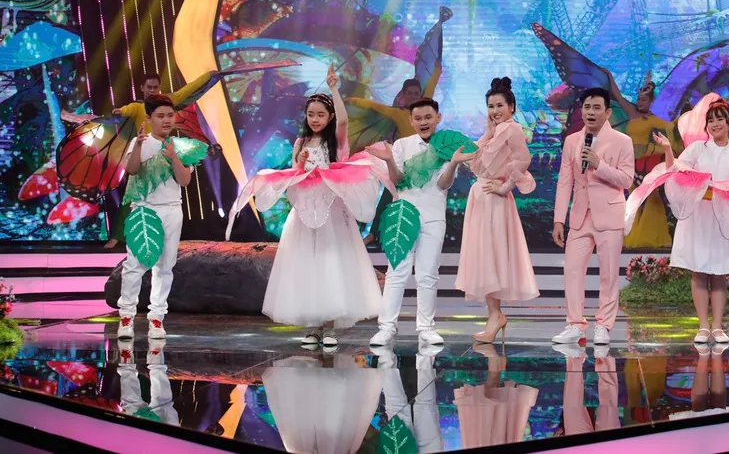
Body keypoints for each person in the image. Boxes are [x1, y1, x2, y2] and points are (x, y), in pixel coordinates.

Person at [230, 68, 385, 347]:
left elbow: (344, 122)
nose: (315, 119)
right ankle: (314, 327)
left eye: (321, 115)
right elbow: (294, 178)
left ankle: (330, 328)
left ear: (329, 117)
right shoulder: (300, 142)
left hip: (332, 212)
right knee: (308, 266)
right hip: (304, 213)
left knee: (330, 265)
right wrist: (300, 163)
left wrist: (334, 89)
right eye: (311, 114)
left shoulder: (336, 143)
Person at [627, 97, 729, 344]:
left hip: (723, 215)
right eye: (711, 120)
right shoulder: (697, 149)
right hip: (699, 215)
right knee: (699, 272)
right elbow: (675, 170)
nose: (715, 124)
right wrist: (667, 149)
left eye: (720, 119)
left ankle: (717, 327)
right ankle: (703, 326)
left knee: (719, 273)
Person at [367, 98, 475, 347]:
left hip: (433, 215)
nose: (423, 122)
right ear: (411, 121)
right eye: (418, 118)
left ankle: (426, 327)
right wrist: (389, 160)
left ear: (438, 117)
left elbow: (443, 184)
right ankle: (386, 327)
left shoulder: (447, 147)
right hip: (403, 214)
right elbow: (398, 181)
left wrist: (454, 163)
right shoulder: (402, 145)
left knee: (427, 274)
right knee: (397, 271)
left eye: (428, 117)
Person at [455, 77, 539, 343]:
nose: (495, 110)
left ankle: (495, 316)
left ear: (511, 106)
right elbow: (475, 161)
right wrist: (488, 133)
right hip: (480, 196)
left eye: (500, 105)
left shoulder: (512, 129)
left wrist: (505, 187)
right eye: (491, 106)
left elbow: (523, 159)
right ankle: (494, 315)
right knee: (484, 257)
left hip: (494, 198)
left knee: (492, 257)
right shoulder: (495, 132)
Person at [116, 94, 206, 340]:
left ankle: (156, 318)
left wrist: (174, 156)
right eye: (160, 116)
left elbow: (184, 181)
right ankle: (126, 317)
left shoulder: (181, 146)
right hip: (143, 209)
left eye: (170, 115)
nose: (166, 120)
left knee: (165, 266)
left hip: (172, 210)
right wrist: (138, 146)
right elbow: (132, 170)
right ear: (149, 118)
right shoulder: (140, 142)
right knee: (134, 265)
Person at [551, 87, 635, 346]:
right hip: (580, 215)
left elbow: (627, 179)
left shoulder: (622, 141)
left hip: (609, 214)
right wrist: (559, 219)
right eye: (587, 107)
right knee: (572, 270)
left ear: (607, 112)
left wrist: (600, 165)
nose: (590, 112)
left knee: (608, 274)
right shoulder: (572, 141)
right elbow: (564, 182)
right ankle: (575, 324)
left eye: (596, 107)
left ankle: (603, 325)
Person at [103, 70, 217, 250]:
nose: (152, 90)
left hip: (165, 155)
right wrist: (121, 111)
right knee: (130, 198)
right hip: (143, 156)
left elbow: (188, 90)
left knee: (167, 195)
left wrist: (208, 76)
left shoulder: (168, 102)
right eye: (149, 87)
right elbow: (128, 109)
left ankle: (165, 239)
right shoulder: (139, 107)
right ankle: (118, 237)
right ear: (142, 88)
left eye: (155, 87)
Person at [606, 72, 680, 249]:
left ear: (652, 102)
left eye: (644, 100)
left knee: (652, 199)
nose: (640, 102)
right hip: (630, 164)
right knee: (634, 201)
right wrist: (609, 76)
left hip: (645, 166)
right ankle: (634, 237)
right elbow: (618, 96)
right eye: (639, 99)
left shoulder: (656, 120)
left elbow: (671, 131)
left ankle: (654, 238)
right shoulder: (632, 113)